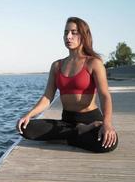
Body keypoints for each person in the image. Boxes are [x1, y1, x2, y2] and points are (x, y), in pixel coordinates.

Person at [16, 17, 118, 153]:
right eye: (66, 32)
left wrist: (107, 123)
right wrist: (29, 115)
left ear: (83, 35)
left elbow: (105, 95)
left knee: (109, 143)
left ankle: (68, 136)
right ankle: (76, 133)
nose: (68, 37)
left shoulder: (93, 63)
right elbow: (47, 97)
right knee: (24, 128)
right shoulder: (57, 65)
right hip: (67, 121)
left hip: (91, 119)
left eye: (74, 32)